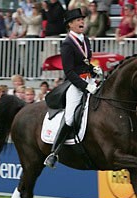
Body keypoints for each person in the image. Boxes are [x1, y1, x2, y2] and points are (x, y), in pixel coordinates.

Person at [44, 8, 102, 168]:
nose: (82, 22)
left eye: (82, 19)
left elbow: (84, 62)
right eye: (78, 20)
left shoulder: (86, 40)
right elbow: (69, 71)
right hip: (75, 84)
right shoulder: (67, 44)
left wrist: (93, 69)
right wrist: (85, 86)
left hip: (89, 81)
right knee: (70, 117)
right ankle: (54, 152)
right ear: (70, 24)